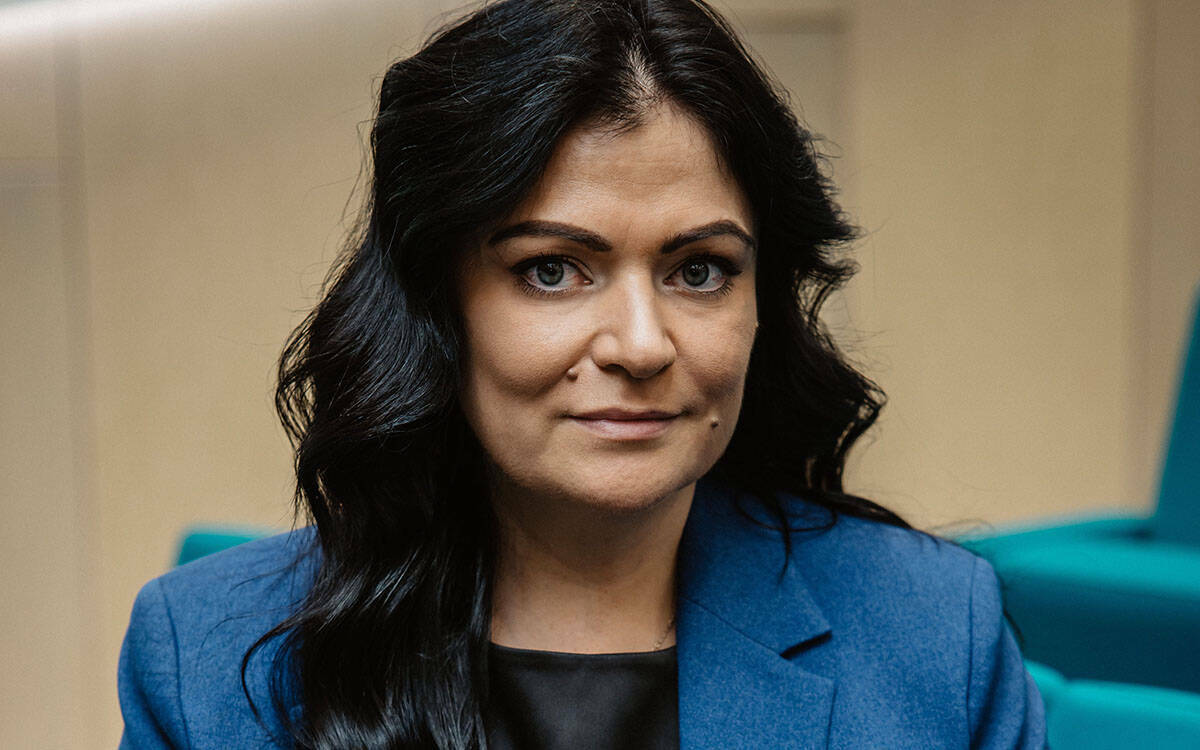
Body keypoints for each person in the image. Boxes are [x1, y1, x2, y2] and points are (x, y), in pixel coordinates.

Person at [117, 0, 1046, 747]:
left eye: (700, 271)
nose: (640, 346)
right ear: (437, 306)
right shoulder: (205, 659)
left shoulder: (935, 634)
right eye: (553, 270)